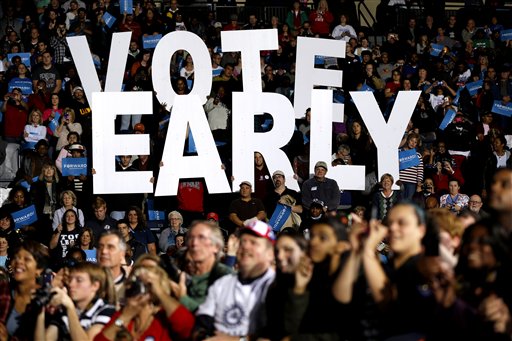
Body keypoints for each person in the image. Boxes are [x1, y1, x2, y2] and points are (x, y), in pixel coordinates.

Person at [193, 220, 275, 338]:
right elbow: (201, 324)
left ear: (270, 253)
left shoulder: (278, 286)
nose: (246, 246)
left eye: (253, 242)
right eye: (242, 242)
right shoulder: (222, 284)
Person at [95, 261, 195, 341]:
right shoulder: (124, 315)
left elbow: (187, 327)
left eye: (147, 283)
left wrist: (160, 292)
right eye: (137, 280)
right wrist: (125, 317)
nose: (141, 286)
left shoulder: (163, 318)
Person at [34, 262, 116, 341]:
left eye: (79, 280)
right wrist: (41, 311)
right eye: (70, 279)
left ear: (95, 286)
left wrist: (70, 308)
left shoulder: (107, 310)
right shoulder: (64, 310)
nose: (71, 284)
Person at [171, 221, 232, 312]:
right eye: (191, 238)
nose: (194, 243)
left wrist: (182, 298)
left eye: (201, 238)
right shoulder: (180, 274)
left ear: (216, 246)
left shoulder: (226, 277)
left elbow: (215, 318)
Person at [6, 240, 50, 338]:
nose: (19, 262)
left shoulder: (48, 301)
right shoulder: (4, 293)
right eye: (16, 257)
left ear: (39, 269)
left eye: (26, 259)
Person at [97, 230, 127, 305]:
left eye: (110, 247)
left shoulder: (132, 288)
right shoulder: (86, 283)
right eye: (100, 247)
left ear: (122, 254)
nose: (104, 251)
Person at [399, 133, 424, 200]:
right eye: (411, 141)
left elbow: (420, 171)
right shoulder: (399, 152)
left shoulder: (418, 155)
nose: (413, 143)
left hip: (412, 183)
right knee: (400, 201)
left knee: (408, 202)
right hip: (400, 181)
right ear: (407, 140)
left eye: (415, 142)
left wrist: (419, 184)